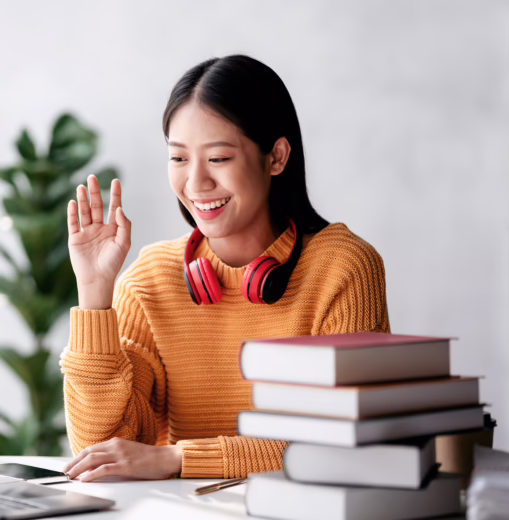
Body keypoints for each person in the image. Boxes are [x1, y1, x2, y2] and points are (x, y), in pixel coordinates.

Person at [59, 55, 390, 482]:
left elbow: (342, 440)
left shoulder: (343, 268)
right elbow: (100, 451)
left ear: (276, 157)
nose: (196, 184)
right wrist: (94, 294)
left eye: (217, 158)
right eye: (178, 159)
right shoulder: (150, 279)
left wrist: (180, 459)